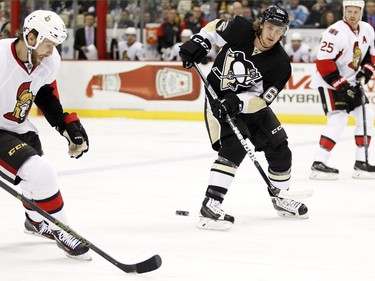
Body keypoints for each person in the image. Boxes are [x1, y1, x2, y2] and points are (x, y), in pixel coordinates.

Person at [179, 5, 309, 230]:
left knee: (280, 148)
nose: (272, 35)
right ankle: (210, 205)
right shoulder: (240, 29)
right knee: (234, 147)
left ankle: (281, 197)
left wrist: (238, 101)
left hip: (250, 105)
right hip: (218, 98)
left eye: (279, 31)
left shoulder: (281, 64)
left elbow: (262, 99)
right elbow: (213, 28)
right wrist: (199, 42)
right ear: (261, 25)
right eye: (270, 28)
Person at [0, 10, 90, 260]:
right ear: (31, 37)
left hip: (19, 126)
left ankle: (35, 221)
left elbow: (44, 94)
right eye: (48, 44)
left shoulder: (49, 61)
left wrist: (65, 125)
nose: (51, 51)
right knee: (40, 171)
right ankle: (63, 230)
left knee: (36, 182)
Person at [309, 0, 375, 180]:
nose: (352, 15)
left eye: (356, 12)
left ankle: (361, 163)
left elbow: (370, 56)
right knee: (338, 118)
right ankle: (319, 163)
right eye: (349, 11)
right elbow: (323, 63)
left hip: (352, 82)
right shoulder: (334, 31)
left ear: (361, 12)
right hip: (329, 82)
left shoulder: (368, 30)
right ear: (344, 11)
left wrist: (366, 72)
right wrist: (341, 85)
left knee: (366, 115)